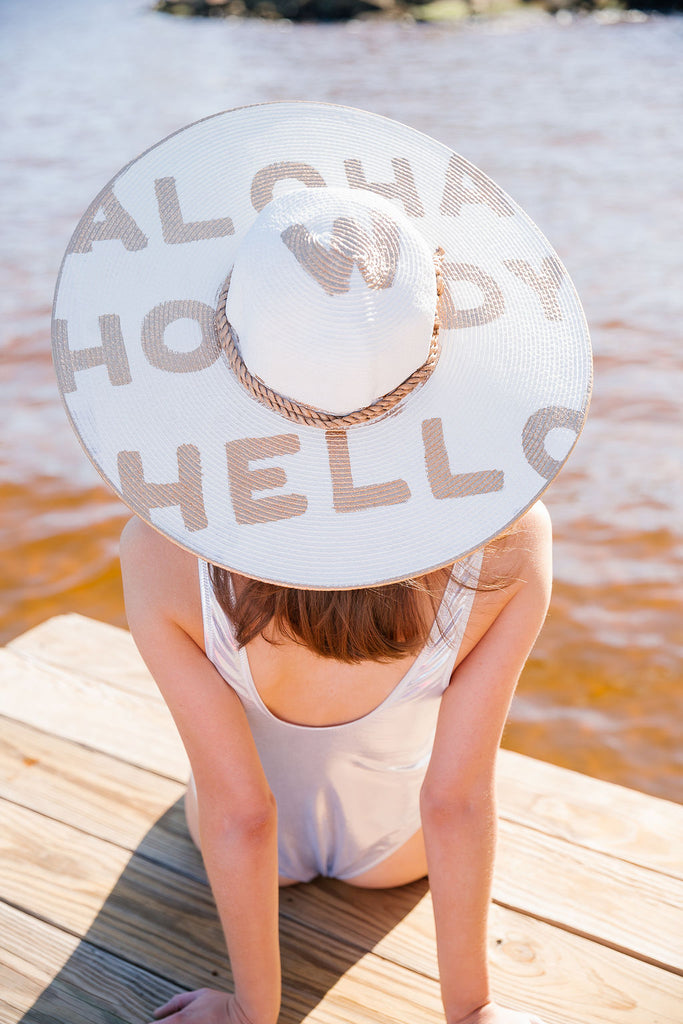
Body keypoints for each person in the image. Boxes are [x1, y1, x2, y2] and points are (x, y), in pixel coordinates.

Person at [52, 102, 592, 1024]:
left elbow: (241, 814)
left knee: (216, 795)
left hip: (246, 846)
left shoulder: (158, 552)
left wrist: (253, 1015)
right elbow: (457, 800)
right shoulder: (514, 539)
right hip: (397, 852)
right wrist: (470, 1011)